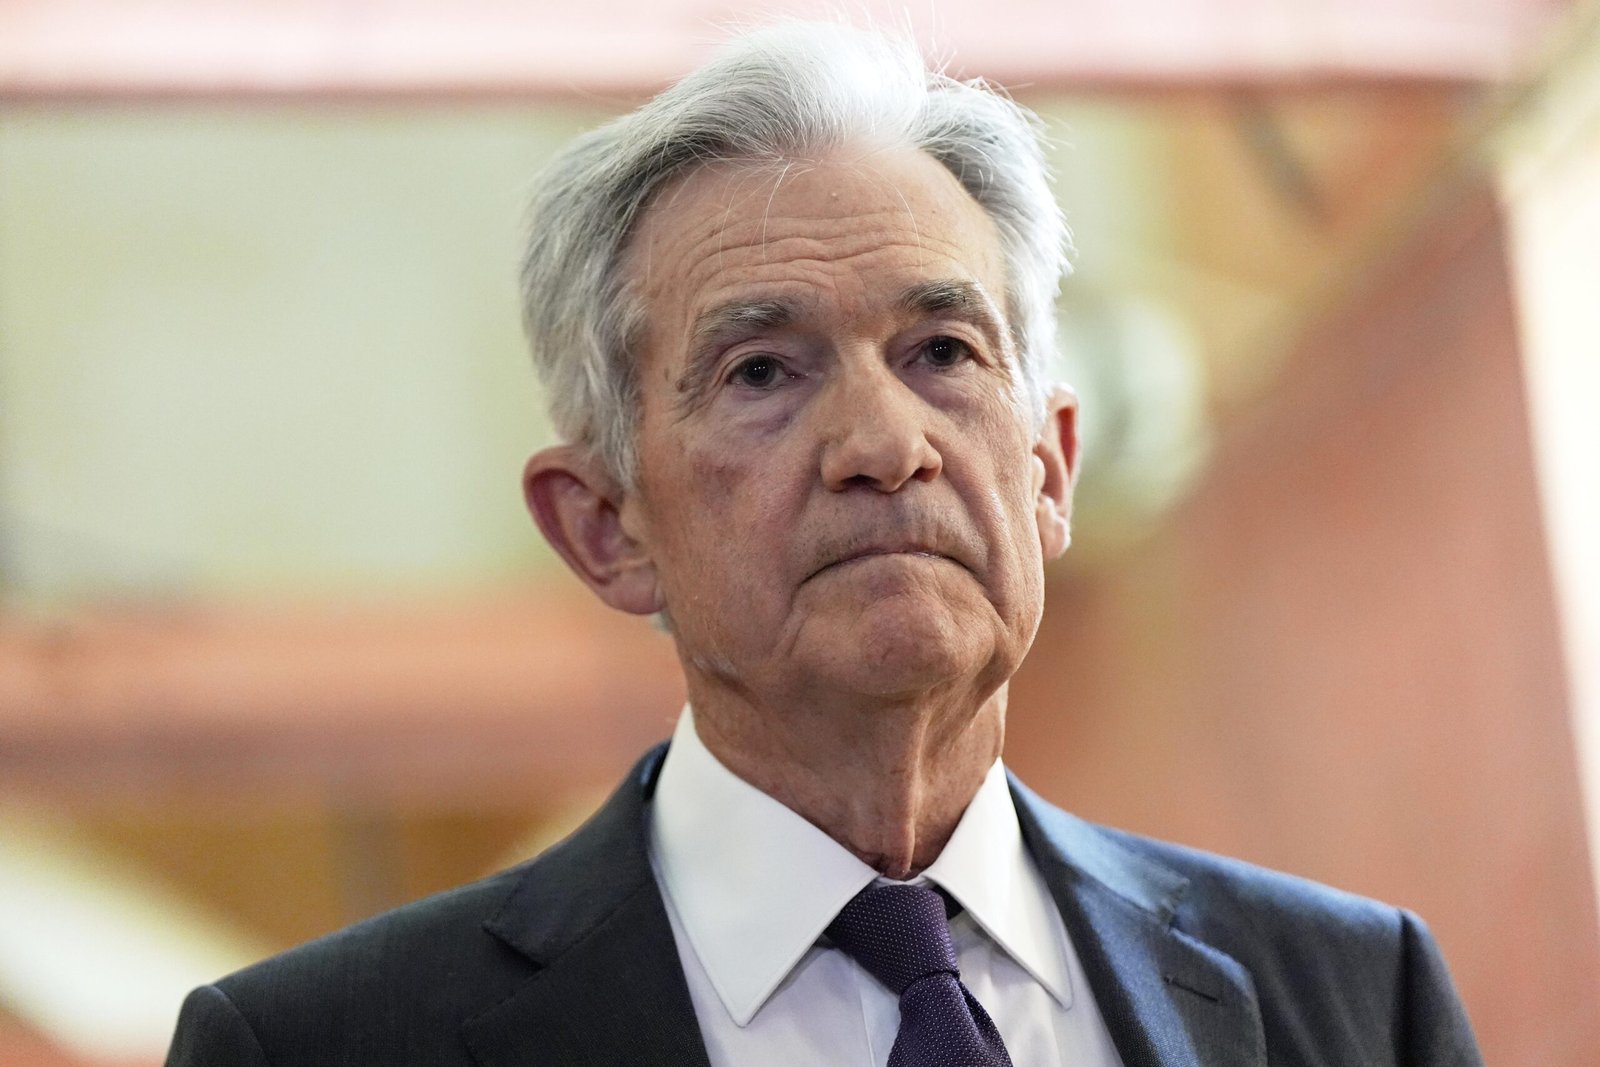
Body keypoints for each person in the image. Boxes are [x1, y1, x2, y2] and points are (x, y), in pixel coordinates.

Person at [166, 21, 1483, 1067]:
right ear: (606, 526)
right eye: (762, 371)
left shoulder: (1355, 1003)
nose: (885, 444)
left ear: (1049, 468)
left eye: (943, 352)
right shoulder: (322, 1047)